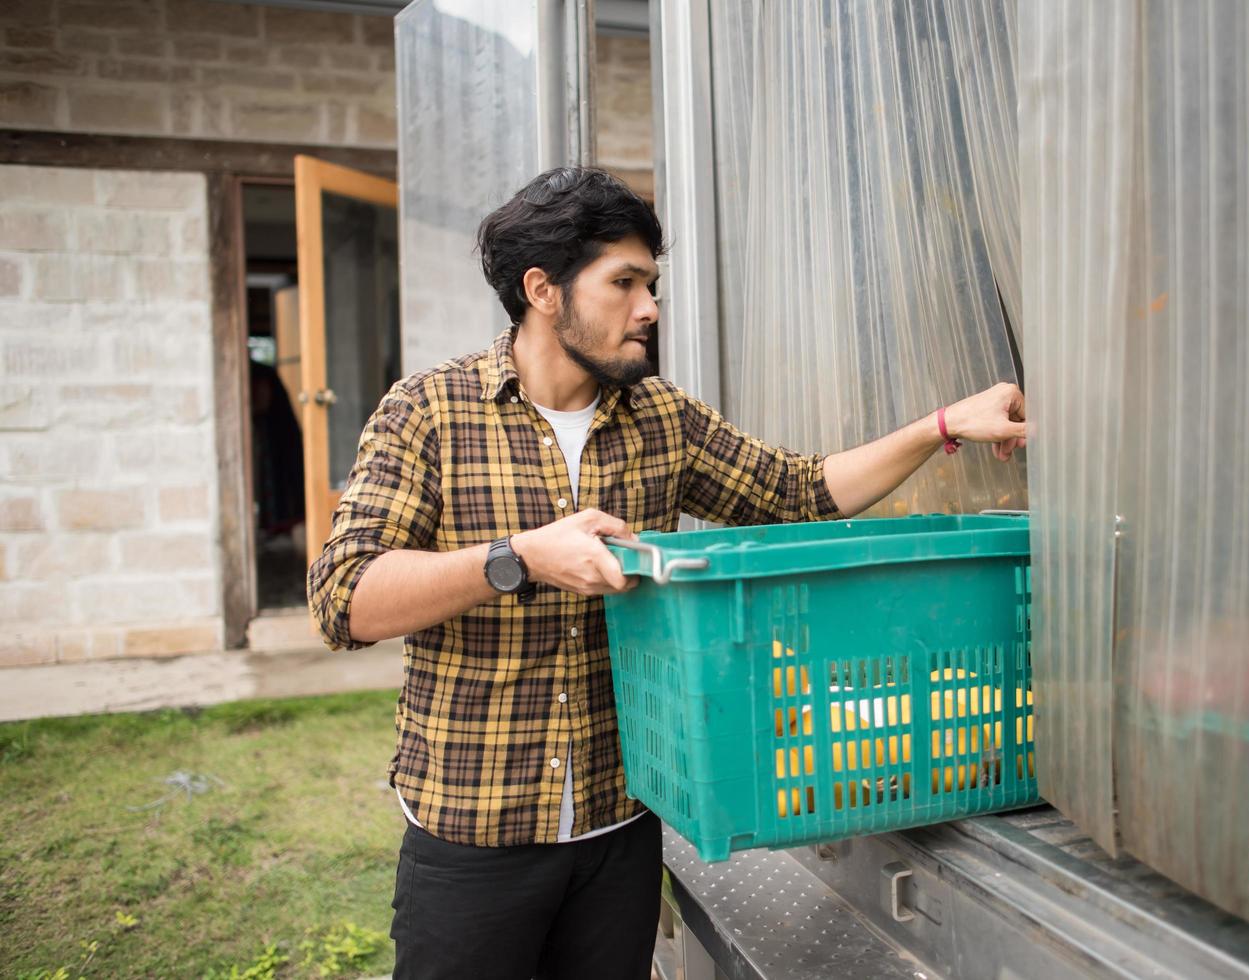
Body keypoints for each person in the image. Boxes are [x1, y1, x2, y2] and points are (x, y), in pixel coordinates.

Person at [308, 167, 1027, 980]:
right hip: (474, 831)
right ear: (543, 289)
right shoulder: (428, 412)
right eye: (624, 283)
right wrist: (517, 558)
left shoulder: (661, 418)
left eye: (650, 283)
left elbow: (799, 490)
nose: (649, 308)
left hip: (620, 829)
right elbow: (345, 598)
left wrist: (940, 427)